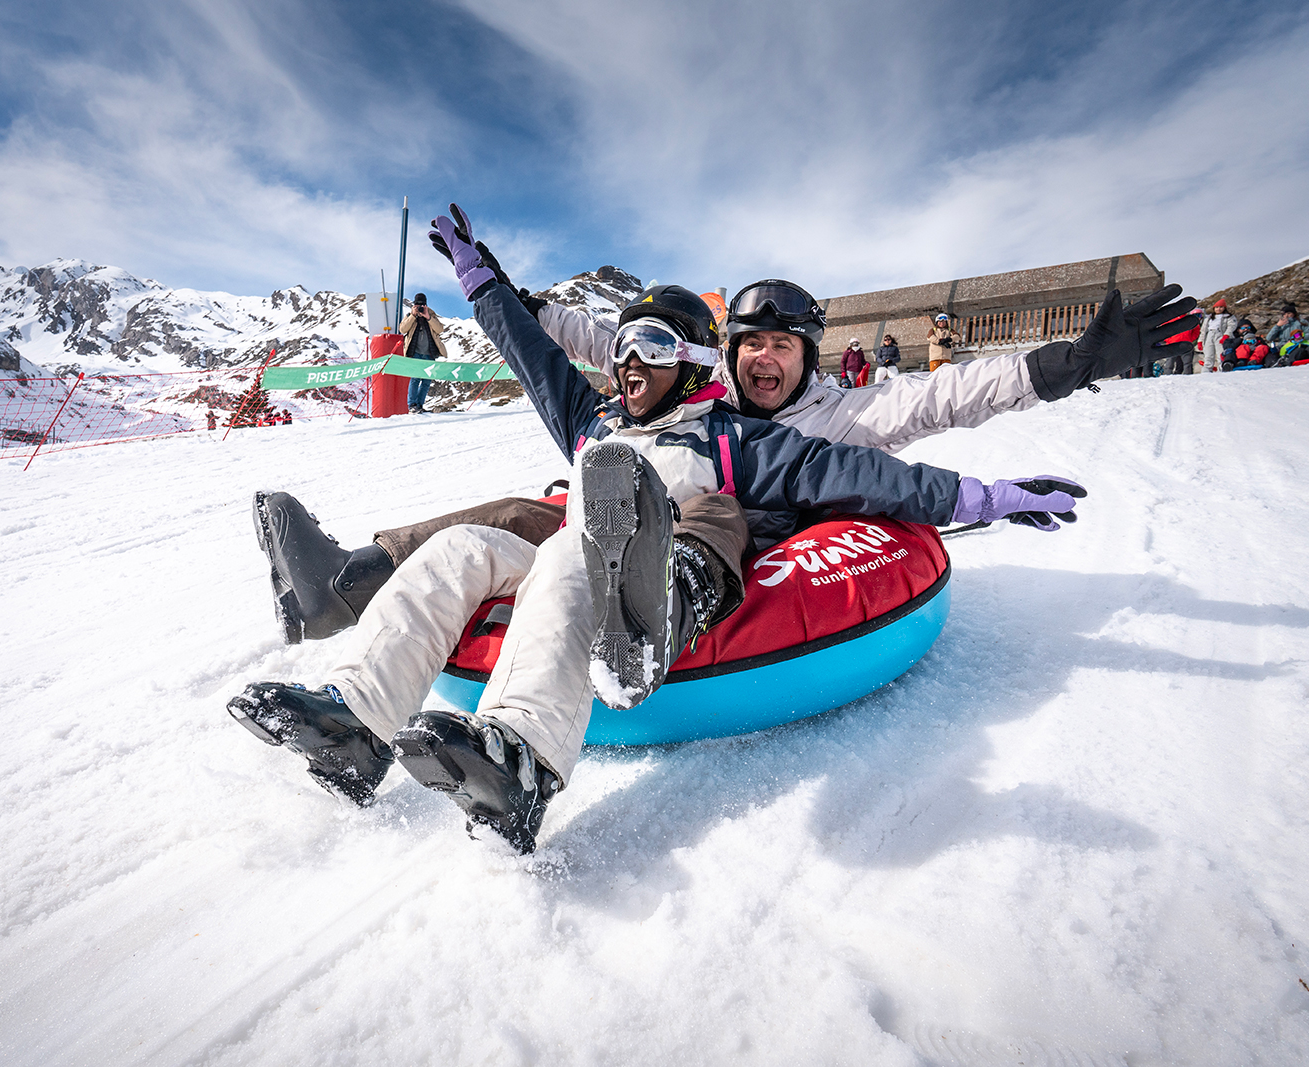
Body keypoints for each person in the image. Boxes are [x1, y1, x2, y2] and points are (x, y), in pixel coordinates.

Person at [228, 204, 1095, 853]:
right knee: (465, 547)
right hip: (577, 542)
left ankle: (523, 758)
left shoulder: (733, 436)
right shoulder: (594, 425)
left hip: (650, 553)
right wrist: (480, 281)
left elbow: (859, 476)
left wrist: (983, 498)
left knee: (606, 534)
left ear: (688, 362)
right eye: (620, 350)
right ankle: (354, 725)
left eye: (647, 346)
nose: (627, 362)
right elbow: (533, 355)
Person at [252, 264, 1196, 645]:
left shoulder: (843, 418)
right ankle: (341, 585)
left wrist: (1068, 364)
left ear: (809, 355)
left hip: (723, 540)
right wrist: (509, 296)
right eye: (751, 345)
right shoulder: (699, 400)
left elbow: (953, 392)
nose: (765, 359)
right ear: (730, 353)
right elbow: (599, 351)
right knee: (509, 514)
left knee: (706, 515)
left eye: (784, 345)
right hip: (640, 502)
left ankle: (659, 613)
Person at [399, 293, 447, 413]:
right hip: (415, 352)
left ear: (426, 305)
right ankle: (412, 405)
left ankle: (419, 405)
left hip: (429, 353)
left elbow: (440, 329)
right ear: (414, 305)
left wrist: (428, 317)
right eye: (417, 304)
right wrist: (413, 316)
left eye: (422, 304)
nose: (420, 307)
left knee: (426, 381)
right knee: (415, 379)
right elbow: (402, 329)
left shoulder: (431, 315)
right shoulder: (410, 315)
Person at [1198, 299, 1236, 373]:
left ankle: (1221, 369)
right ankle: (1206, 370)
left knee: (1221, 353)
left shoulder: (1228, 317)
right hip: (1209, 334)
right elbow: (1203, 330)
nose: (1218, 309)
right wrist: (1200, 341)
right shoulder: (1209, 318)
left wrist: (1226, 335)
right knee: (1208, 354)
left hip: (1220, 334)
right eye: (1217, 307)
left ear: (1224, 308)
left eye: (1221, 307)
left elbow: (1231, 326)